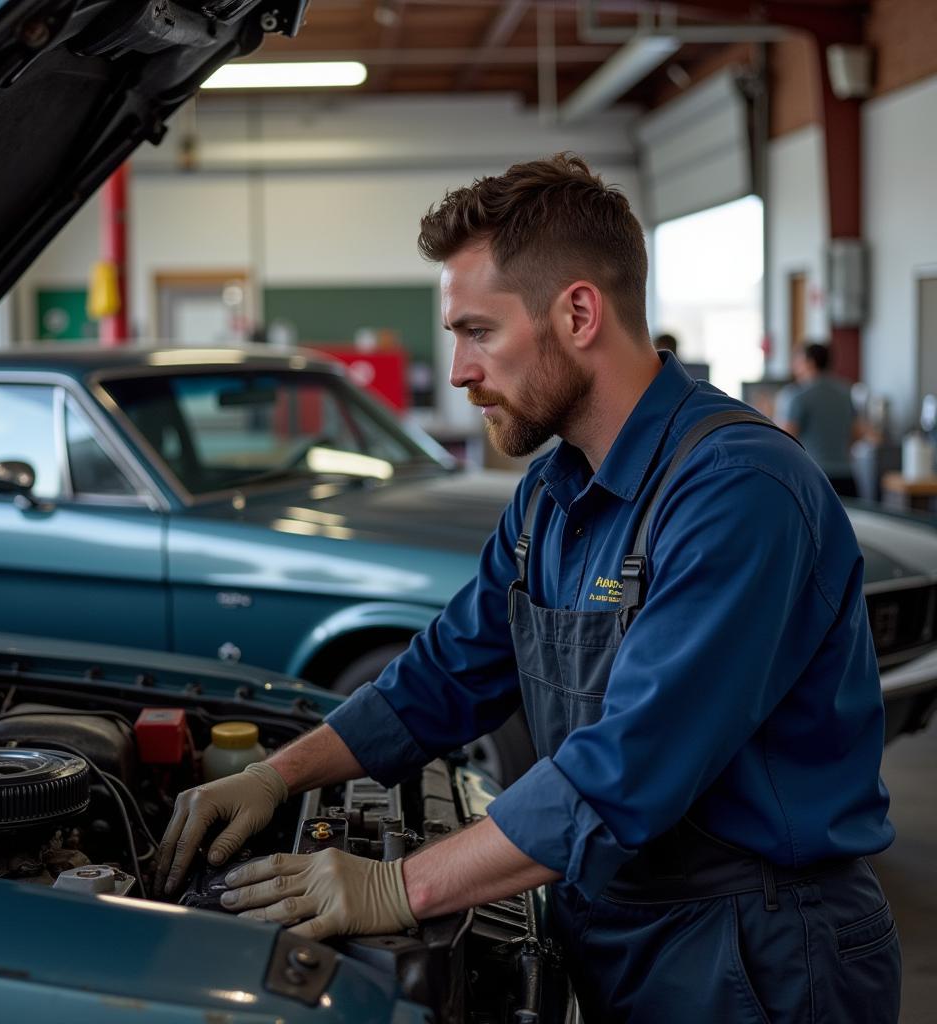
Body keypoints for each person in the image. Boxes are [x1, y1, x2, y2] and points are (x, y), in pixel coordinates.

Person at [155, 155, 899, 1023]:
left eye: (478, 331)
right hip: (618, 920)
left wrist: (396, 887)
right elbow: (441, 678)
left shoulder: (737, 492)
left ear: (577, 312)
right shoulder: (554, 496)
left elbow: (627, 769)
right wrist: (278, 778)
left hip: (759, 950)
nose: (461, 370)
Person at [776, 341, 867, 496]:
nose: (794, 365)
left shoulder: (798, 396)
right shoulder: (845, 392)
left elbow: (785, 439)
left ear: (809, 362)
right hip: (846, 477)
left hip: (814, 478)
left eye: (797, 360)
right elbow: (857, 433)